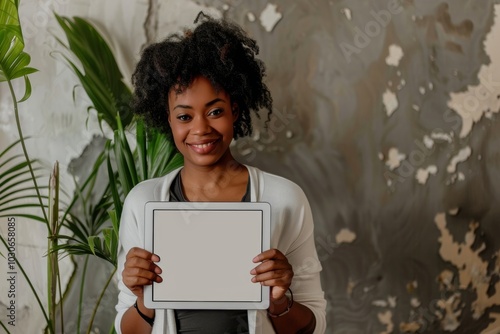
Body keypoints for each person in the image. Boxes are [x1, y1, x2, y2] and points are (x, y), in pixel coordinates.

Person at [114, 13, 327, 334]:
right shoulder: (142, 202)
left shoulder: (284, 199)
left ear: (235, 111)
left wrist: (280, 301)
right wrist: (145, 300)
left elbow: (314, 326)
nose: (201, 129)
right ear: (167, 120)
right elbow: (125, 329)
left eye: (215, 111)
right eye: (184, 116)